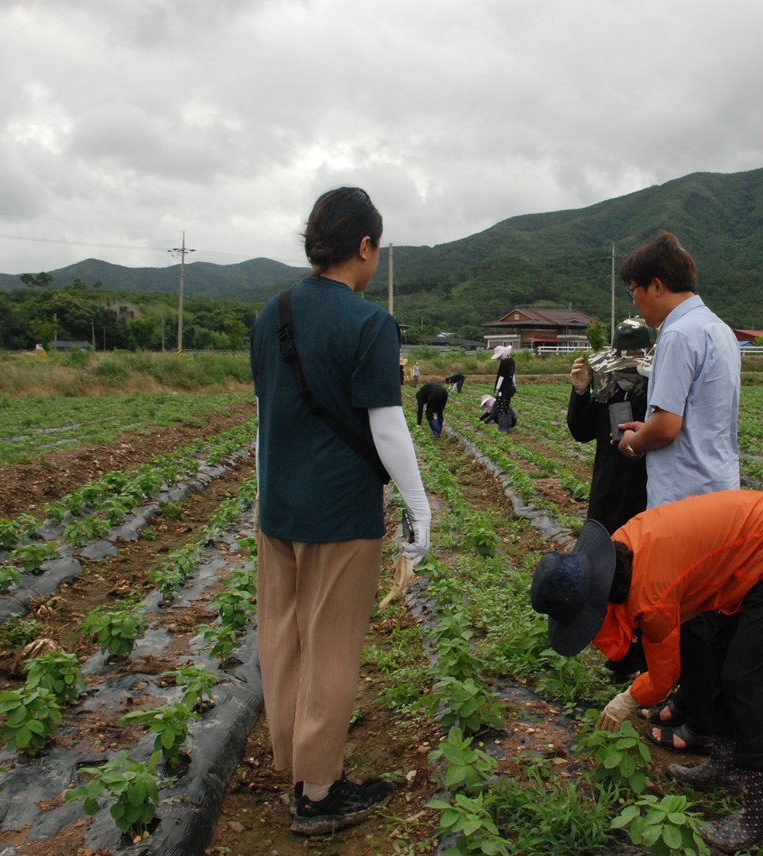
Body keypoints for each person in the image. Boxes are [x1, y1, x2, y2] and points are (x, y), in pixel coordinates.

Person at [250, 186, 432, 837]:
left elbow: (266, 418)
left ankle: (297, 765)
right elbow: (387, 427)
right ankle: (319, 793)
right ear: (364, 246)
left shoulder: (271, 315)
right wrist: (419, 508)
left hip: (278, 508)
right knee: (331, 646)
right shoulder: (370, 323)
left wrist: (264, 490)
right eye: (376, 248)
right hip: (339, 512)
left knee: (285, 638)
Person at [530, 490, 763, 853]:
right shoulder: (620, 551)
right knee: (722, 656)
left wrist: (626, 700)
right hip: (752, 543)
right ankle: (727, 762)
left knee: (749, 675)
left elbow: (664, 678)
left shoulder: (649, 595)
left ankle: (762, 809)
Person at [614, 230, 742, 753]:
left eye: (635, 290)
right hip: (716, 485)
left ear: (657, 285)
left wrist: (631, 442)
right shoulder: (719, 329)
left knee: (687, 612)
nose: (635, 302)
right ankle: (691, 702)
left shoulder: (678, 334)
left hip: (683, 492)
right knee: (706, 606)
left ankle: (701, 724)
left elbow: (664, 426)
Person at [567, 317, 653, 533]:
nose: (627, 374)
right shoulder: (607, 388)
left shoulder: (659, 390)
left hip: (649, 488)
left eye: (633, 370)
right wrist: (580, 391)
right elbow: (582, 431)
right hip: (608, 489)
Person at [491, 344, 517, 431]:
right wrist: (514, 385)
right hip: (510, 389)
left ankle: (502, 428)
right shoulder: (512, 361)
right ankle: (508, 427)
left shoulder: (504, 363)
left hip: (503, 390)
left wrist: (497, 390)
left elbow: (501, 377)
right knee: (506, 408)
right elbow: (513, 375)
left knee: (501, 409)